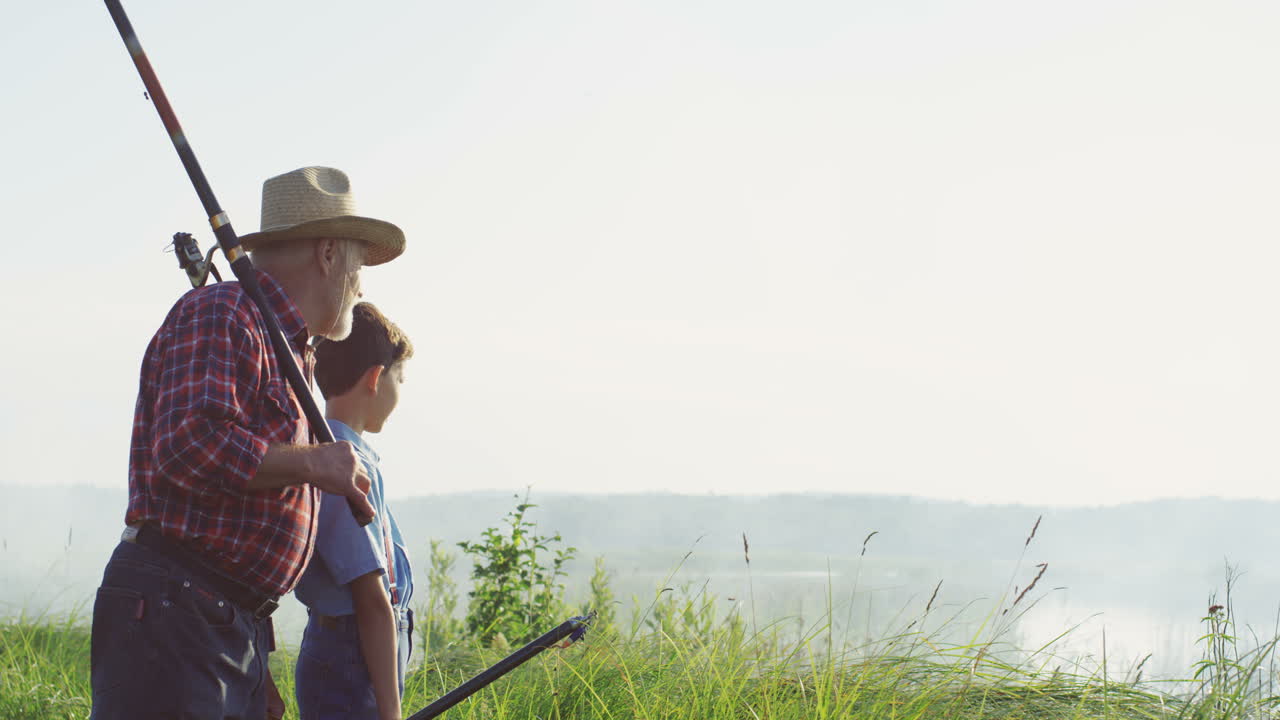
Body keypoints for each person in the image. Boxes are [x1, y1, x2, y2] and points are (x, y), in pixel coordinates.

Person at [89, 166, 406, 720]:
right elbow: (189, 444)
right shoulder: (225, 312)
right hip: (178, 611)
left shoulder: (288, 349)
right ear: (329, 254)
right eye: (358, 267)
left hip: (217, 618)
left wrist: (256, 650)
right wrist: (316, 463)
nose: (359, 288)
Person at [293, 302, 416, 720]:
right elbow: (371, 600)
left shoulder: (340, 454)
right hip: (348, 661)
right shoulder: (340, 464)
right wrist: (391, 713)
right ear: (376, 378)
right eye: (401, 377)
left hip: (352, 654)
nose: (401, 389)